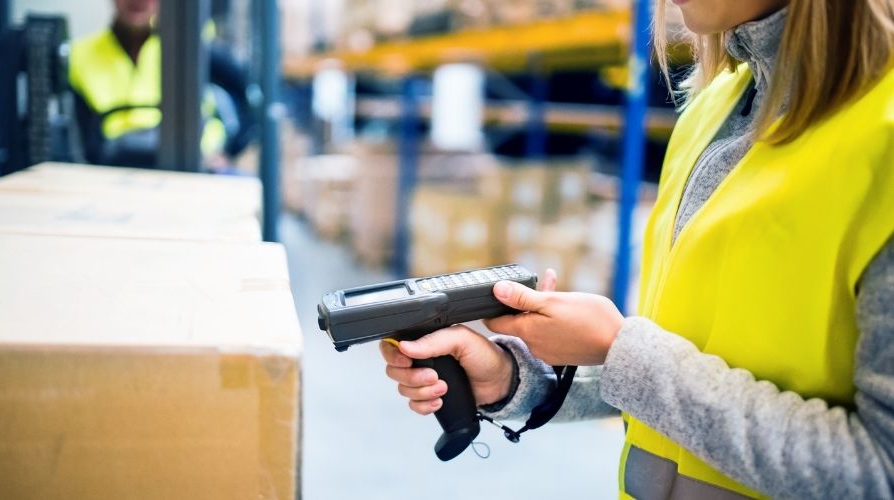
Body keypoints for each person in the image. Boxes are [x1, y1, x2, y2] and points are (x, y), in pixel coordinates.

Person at [380, 0, 894, 498]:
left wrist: (620, 348)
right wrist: (512, 379)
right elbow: (690, 368)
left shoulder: (882, 141)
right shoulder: (710, 111)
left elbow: (880, 473)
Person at [69, 0, 250, 169]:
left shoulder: (190, 43)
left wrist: (229, 151)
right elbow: (77, 135)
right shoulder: (78, 55)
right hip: (113, 168)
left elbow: (248, 96)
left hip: (193, 166)